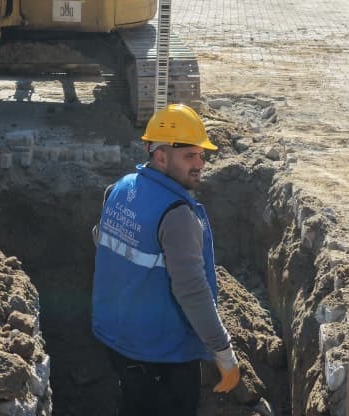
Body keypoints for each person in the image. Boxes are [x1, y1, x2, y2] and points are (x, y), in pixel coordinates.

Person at [91, 104, 241, 415]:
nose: (200, 164)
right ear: (160, 156)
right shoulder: (177, 214)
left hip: (117, 339)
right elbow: (192, 291)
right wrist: (223, 353)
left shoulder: (119, 189)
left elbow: (104, 244)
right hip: (161, 352)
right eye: (190, 156)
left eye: (201, 155)